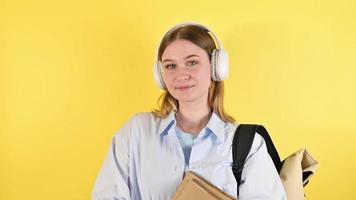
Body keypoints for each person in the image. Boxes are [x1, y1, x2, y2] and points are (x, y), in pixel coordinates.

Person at [92, 22, 287, 200]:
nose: (180, 75)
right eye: (170, 66)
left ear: (215, 67)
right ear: (160, 75)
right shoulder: (137, 132)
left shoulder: (248, 144)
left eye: (192, 62)